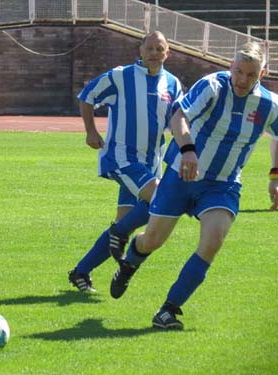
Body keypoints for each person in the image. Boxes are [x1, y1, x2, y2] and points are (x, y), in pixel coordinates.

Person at [110, 41, 278, 330]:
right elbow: (179, 116)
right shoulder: (212, 85)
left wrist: (275, 175)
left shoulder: (269, 104)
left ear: (262, 74)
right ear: (230, 67)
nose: (242, 80)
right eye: (238, 72)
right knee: (152, 241)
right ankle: (130, 262)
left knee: (213, 241)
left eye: (251, 75)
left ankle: (168, 311)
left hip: (222, 185)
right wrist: (188, 149)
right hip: (180, 176)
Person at [68, 31, 183, 292]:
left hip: (151, 163)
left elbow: (176, 122)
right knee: (160, 199)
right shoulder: (121, 76)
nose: (154, 53)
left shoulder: (173, 84)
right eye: (150, 48)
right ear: (140, 50)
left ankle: (80, 272)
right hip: (122, 158)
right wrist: (91, 131)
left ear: (168, 53)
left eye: (160, 48)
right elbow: (87, 96)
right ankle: (120, 243)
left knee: (125, 224)